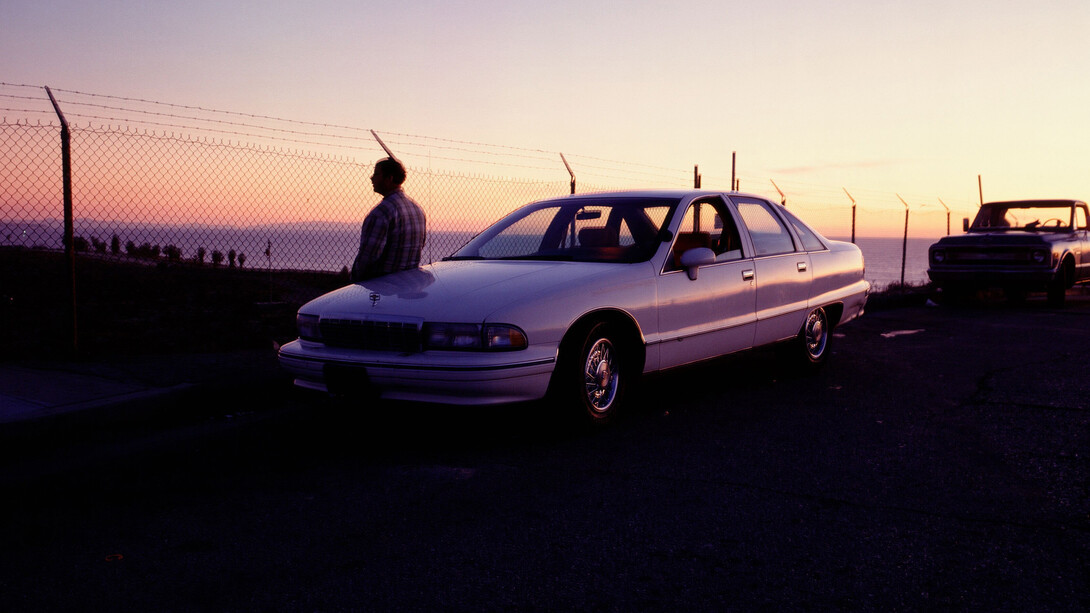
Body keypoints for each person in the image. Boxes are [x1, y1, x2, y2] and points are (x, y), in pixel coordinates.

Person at [350, 157, 427, 282]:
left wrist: (354, 280)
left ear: (389, 178)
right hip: (409, 284)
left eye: (376, 174)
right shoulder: (417, 209)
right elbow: (420, 245)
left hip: (383, 286)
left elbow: (368, 257)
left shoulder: (381, 213)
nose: (371, 178)